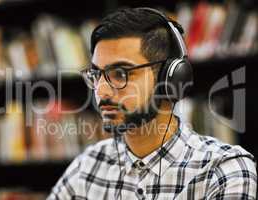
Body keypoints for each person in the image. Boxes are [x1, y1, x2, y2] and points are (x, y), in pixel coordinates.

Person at [47, 7, 257, 199]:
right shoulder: (87, 167)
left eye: (120, 73)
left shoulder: (223, 171)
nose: (100, 90)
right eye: (96, 74)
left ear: (170, 79)